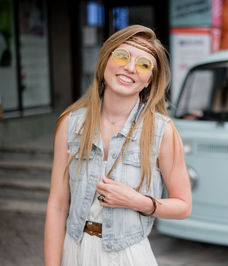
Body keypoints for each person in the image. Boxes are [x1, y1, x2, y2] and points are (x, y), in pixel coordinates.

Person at [44, 25, 192, 265]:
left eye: (143, 64)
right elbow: (57, 206)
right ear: (105, 61)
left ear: (149, 80)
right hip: (75, 251)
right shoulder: (70, 125)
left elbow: (183, 206)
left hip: (128, 255)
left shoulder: (162, 131)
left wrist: (137, 201)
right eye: (122, 56)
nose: (130, 68)